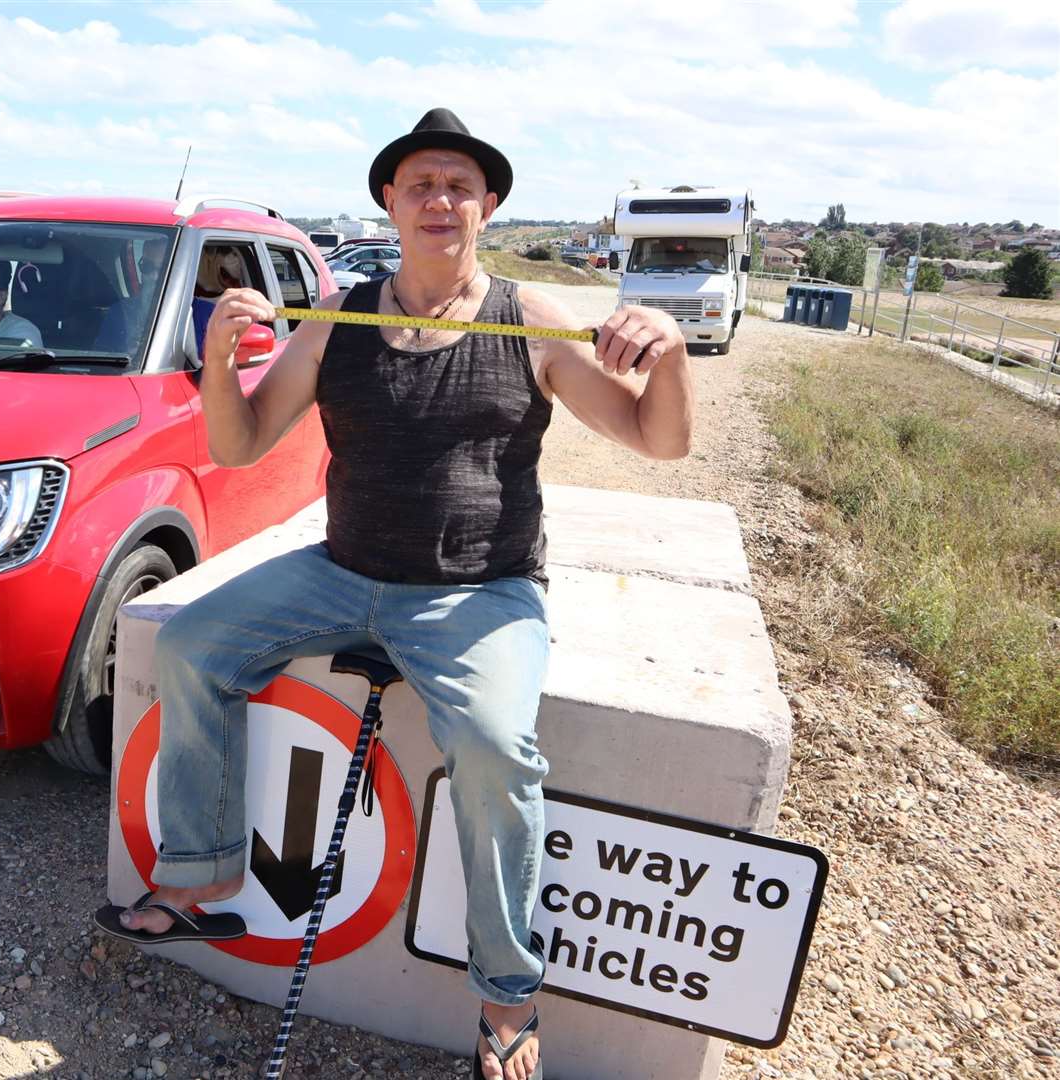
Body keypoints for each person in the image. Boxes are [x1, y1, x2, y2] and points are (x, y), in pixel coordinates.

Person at [92, 108, 691, 1080]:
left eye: (460, 185)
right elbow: (240, 443)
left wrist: (667, 351)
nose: (440, 200)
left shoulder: (528, 319)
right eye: (421, 184)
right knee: (194, 646)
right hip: (341, 570)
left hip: (480, 595)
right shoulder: (341, 317)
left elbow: (658, 440)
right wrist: (215, 363)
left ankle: (508, 995)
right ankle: (202, 883)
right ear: (390, 202)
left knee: (497, 748)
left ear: (488, 206)